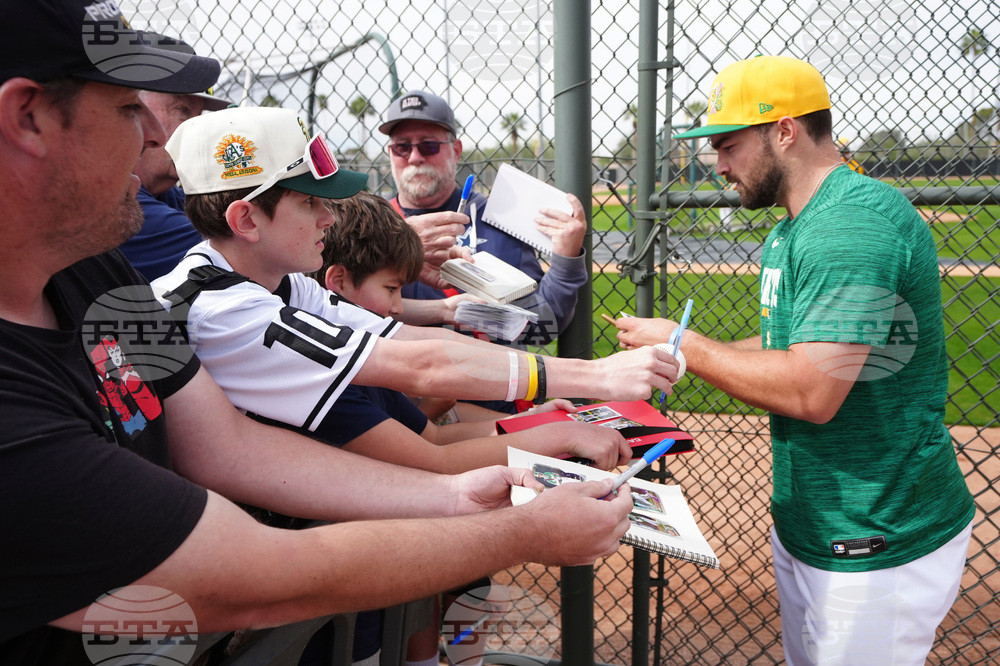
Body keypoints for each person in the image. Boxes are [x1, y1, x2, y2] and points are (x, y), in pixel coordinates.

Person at [0, 1, 640, 662]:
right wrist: (519, 527)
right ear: (28, 118)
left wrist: (452, 493)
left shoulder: (100, 276)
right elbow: (249, 578)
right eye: (125, 108)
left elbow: (227, 446)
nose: (152, 137)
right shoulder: (194, 311)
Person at [613, 55, 974, 666]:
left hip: (876, 533)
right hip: (817, 525)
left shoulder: (850, 223)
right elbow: (792, 346)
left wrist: (685, 342)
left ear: (784, 131)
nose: (718, 165)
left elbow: (812, 388)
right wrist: (681, 355)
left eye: (727, 145)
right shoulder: (794, 227)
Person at [152, 105, 679, 451]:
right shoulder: (228, 308)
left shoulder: (279, 283)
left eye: (428, 144)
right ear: (246, 221)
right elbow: (421, 369)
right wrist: (594, 378)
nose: (328, 218)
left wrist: (454, 312)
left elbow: (407, 336)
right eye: (310, 202)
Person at [312, 191, 632, 472]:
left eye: (429, 145)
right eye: (392, 289)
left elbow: (436, 433)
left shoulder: (351, 346)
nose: (398, 307)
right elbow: (436, 455)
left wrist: (529, 422)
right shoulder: (329, 373)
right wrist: (559, 432)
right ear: (337, 281)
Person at [379, 90, 589, 349]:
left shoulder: (499, 220)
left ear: (456, 150)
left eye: (429, 145)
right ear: (390, 153)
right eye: (402, 147)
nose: (414, 158)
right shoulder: (370, 226)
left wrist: (566, 262)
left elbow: (540, 328)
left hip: (486, 373)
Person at [120, 88, 232, 281]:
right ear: (134, 108)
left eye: (198, 116)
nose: (197, 131)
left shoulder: (167, 194)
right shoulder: (119, 204)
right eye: (182, 110)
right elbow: (250, 248)